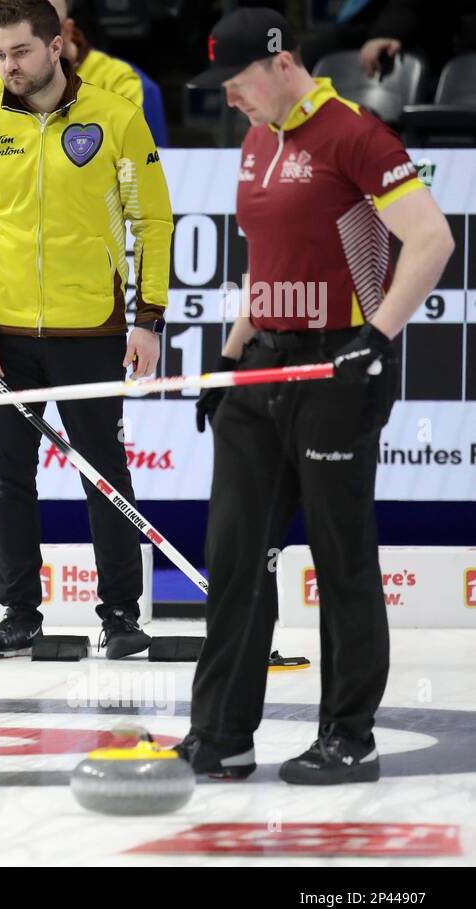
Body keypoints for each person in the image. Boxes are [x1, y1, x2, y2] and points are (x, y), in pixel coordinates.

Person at [182, 9, 454, 784]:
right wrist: (226, 359)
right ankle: (221, 736)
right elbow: (265, 266)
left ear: (280, 64)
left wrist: (378, 336)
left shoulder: (356, 134)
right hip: (263, 367)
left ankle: (349, 735)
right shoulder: (256, 139)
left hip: (339, 368)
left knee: (340, 558)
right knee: (235, 556)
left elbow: (431, 239)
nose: (229, 99)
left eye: (236, 84)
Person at [0, 0, 172, 660]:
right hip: (4, 339)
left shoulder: (115, 119)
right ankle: (20, 614)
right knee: (7, 480)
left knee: (104, 473)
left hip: (92, 331)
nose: (7, 65)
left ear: (55, 46)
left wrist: (148, 319)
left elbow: (152, 222)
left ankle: (122, 614)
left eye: (19, 51)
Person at [0, 0, 143, 108]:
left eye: (22, 51)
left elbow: (120, 151)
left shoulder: (117, 79)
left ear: (67, 30)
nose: (10, 66)